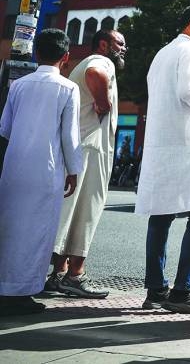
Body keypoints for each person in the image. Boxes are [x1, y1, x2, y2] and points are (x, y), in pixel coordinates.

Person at [135, 6, 190, 313]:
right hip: (187, 146)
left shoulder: (161, 54)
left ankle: (155, 290)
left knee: (161, 218)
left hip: (162, 147)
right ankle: (182, 291)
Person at [0, 29, 81, 316]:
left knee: (9, 228)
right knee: (37, 232)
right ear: (66, 57)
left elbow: (5, 129)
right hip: (47, 170)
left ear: (37, 54)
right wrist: (74, 171)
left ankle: (4, 285)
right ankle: (22, 292)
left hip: (13, 168)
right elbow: (70, 137)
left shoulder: (19, 85)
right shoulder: (68, 88)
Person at [49, 28, 126, 299]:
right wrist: (103, 103)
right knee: (86, 212)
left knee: (71, 212)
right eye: (119, 43)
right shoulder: (100, 61)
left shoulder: (84, 63)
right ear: (103, 45)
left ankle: (59, 274)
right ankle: (75, 275)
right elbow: (96, 73)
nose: (123, 49)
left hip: (82, 146)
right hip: (91, 148)